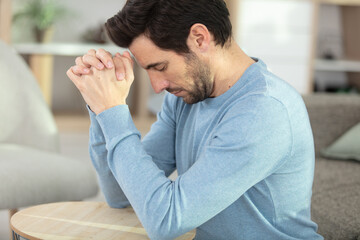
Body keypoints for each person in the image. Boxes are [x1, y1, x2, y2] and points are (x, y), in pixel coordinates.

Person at [67, 0, 324, 239]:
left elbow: (165, 220)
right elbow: (120, 194)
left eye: (160, 67)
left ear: (199, 38)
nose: (157, 86)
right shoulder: (184, 98)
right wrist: (100, 108)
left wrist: (113, 111)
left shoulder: (264, 110)